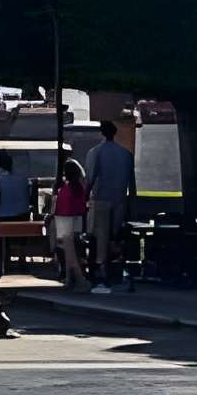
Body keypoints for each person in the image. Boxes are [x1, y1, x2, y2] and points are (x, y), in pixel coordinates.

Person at [86, 115, 137, 290]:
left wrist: (84, 197)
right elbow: (132, 183)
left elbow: (91, 178)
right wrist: (132, 203)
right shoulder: (126, 154)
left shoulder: (96, 152)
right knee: (115, 237)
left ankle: (102, 271)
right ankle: (117, 269)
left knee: (100, 238)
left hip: (101, 199)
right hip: (120, 200)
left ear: (102, 133)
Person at [49, 152, 90, 289]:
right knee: (71, 249)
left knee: (68, 250)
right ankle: (70, 277)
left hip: (64, 221)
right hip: (77, 221)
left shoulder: (63, 190)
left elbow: (57, 209)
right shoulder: (80, 189)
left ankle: (78, 278)